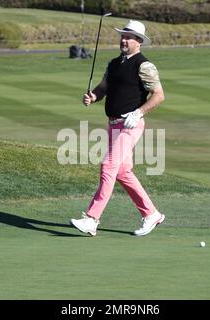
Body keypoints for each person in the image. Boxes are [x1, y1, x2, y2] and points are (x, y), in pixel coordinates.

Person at [70, 20, 165, 237]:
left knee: (108, 165)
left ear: (139, 42)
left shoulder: (144, 66)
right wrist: (93, 96)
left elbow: (159, 95)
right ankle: (151, 214)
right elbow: (104, 87)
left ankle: (92, 219)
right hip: (113, 124)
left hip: (131, 124)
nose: (123, 40)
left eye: (128, 37)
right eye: (122, 36)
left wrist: (139, 112)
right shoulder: (113, 64)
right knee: (122, 172)